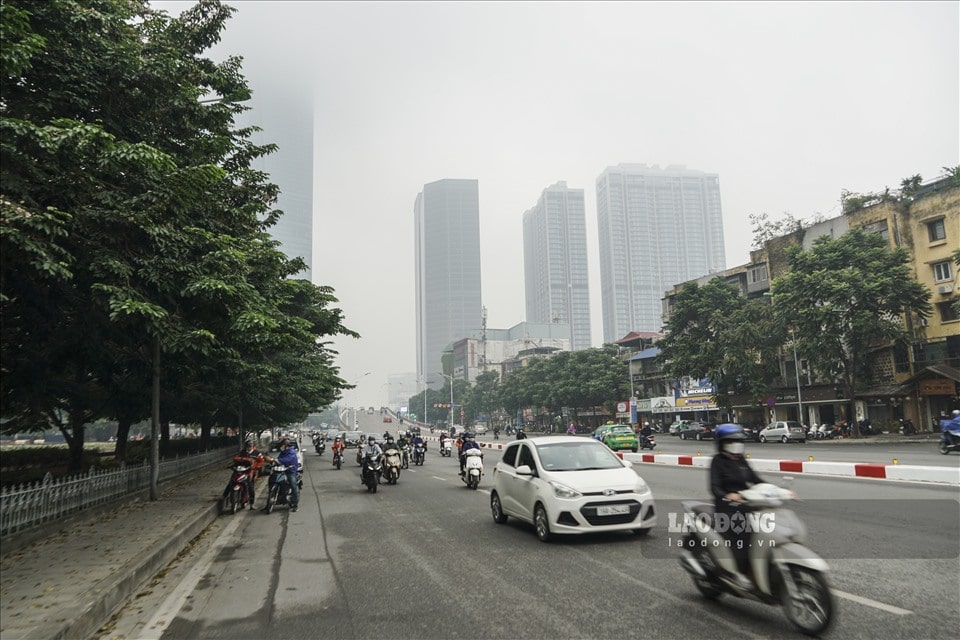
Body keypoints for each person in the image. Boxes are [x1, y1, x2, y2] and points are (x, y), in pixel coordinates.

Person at [710, 423, 763, 588]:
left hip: (746, 505)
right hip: (727, 509)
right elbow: (715, 488)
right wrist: (729, 495)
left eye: (738, 440)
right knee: (744, 537)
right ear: (722, 443)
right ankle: (739, 573)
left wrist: (777, 490)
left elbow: (756, 480)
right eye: (732, 441)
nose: (736, 444)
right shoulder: (717, 462)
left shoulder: (741, 460)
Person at [224, 439, 264, 509]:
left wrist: (256, 467)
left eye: (250, 446)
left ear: (252, 446)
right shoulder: (242, 452)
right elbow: (236, 459)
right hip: (241, 470)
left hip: (251, 471)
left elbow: (261, 462)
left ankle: (252, 504)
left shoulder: (257, 453)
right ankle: (224, 496)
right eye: (248, 446)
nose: (249, 448)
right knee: (232, 481)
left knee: (250, 487)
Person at [267, 439, 300, 512]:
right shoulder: (283, 452)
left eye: (282, 445)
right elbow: (279, 459)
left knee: (293, 485)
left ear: (285, 446)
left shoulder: (291, 452)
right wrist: (273, 462)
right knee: (272, 479)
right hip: (282, 470)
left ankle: (295, 504)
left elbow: (287, 460)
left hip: (290, 471)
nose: (281, 447)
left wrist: (275, 460)